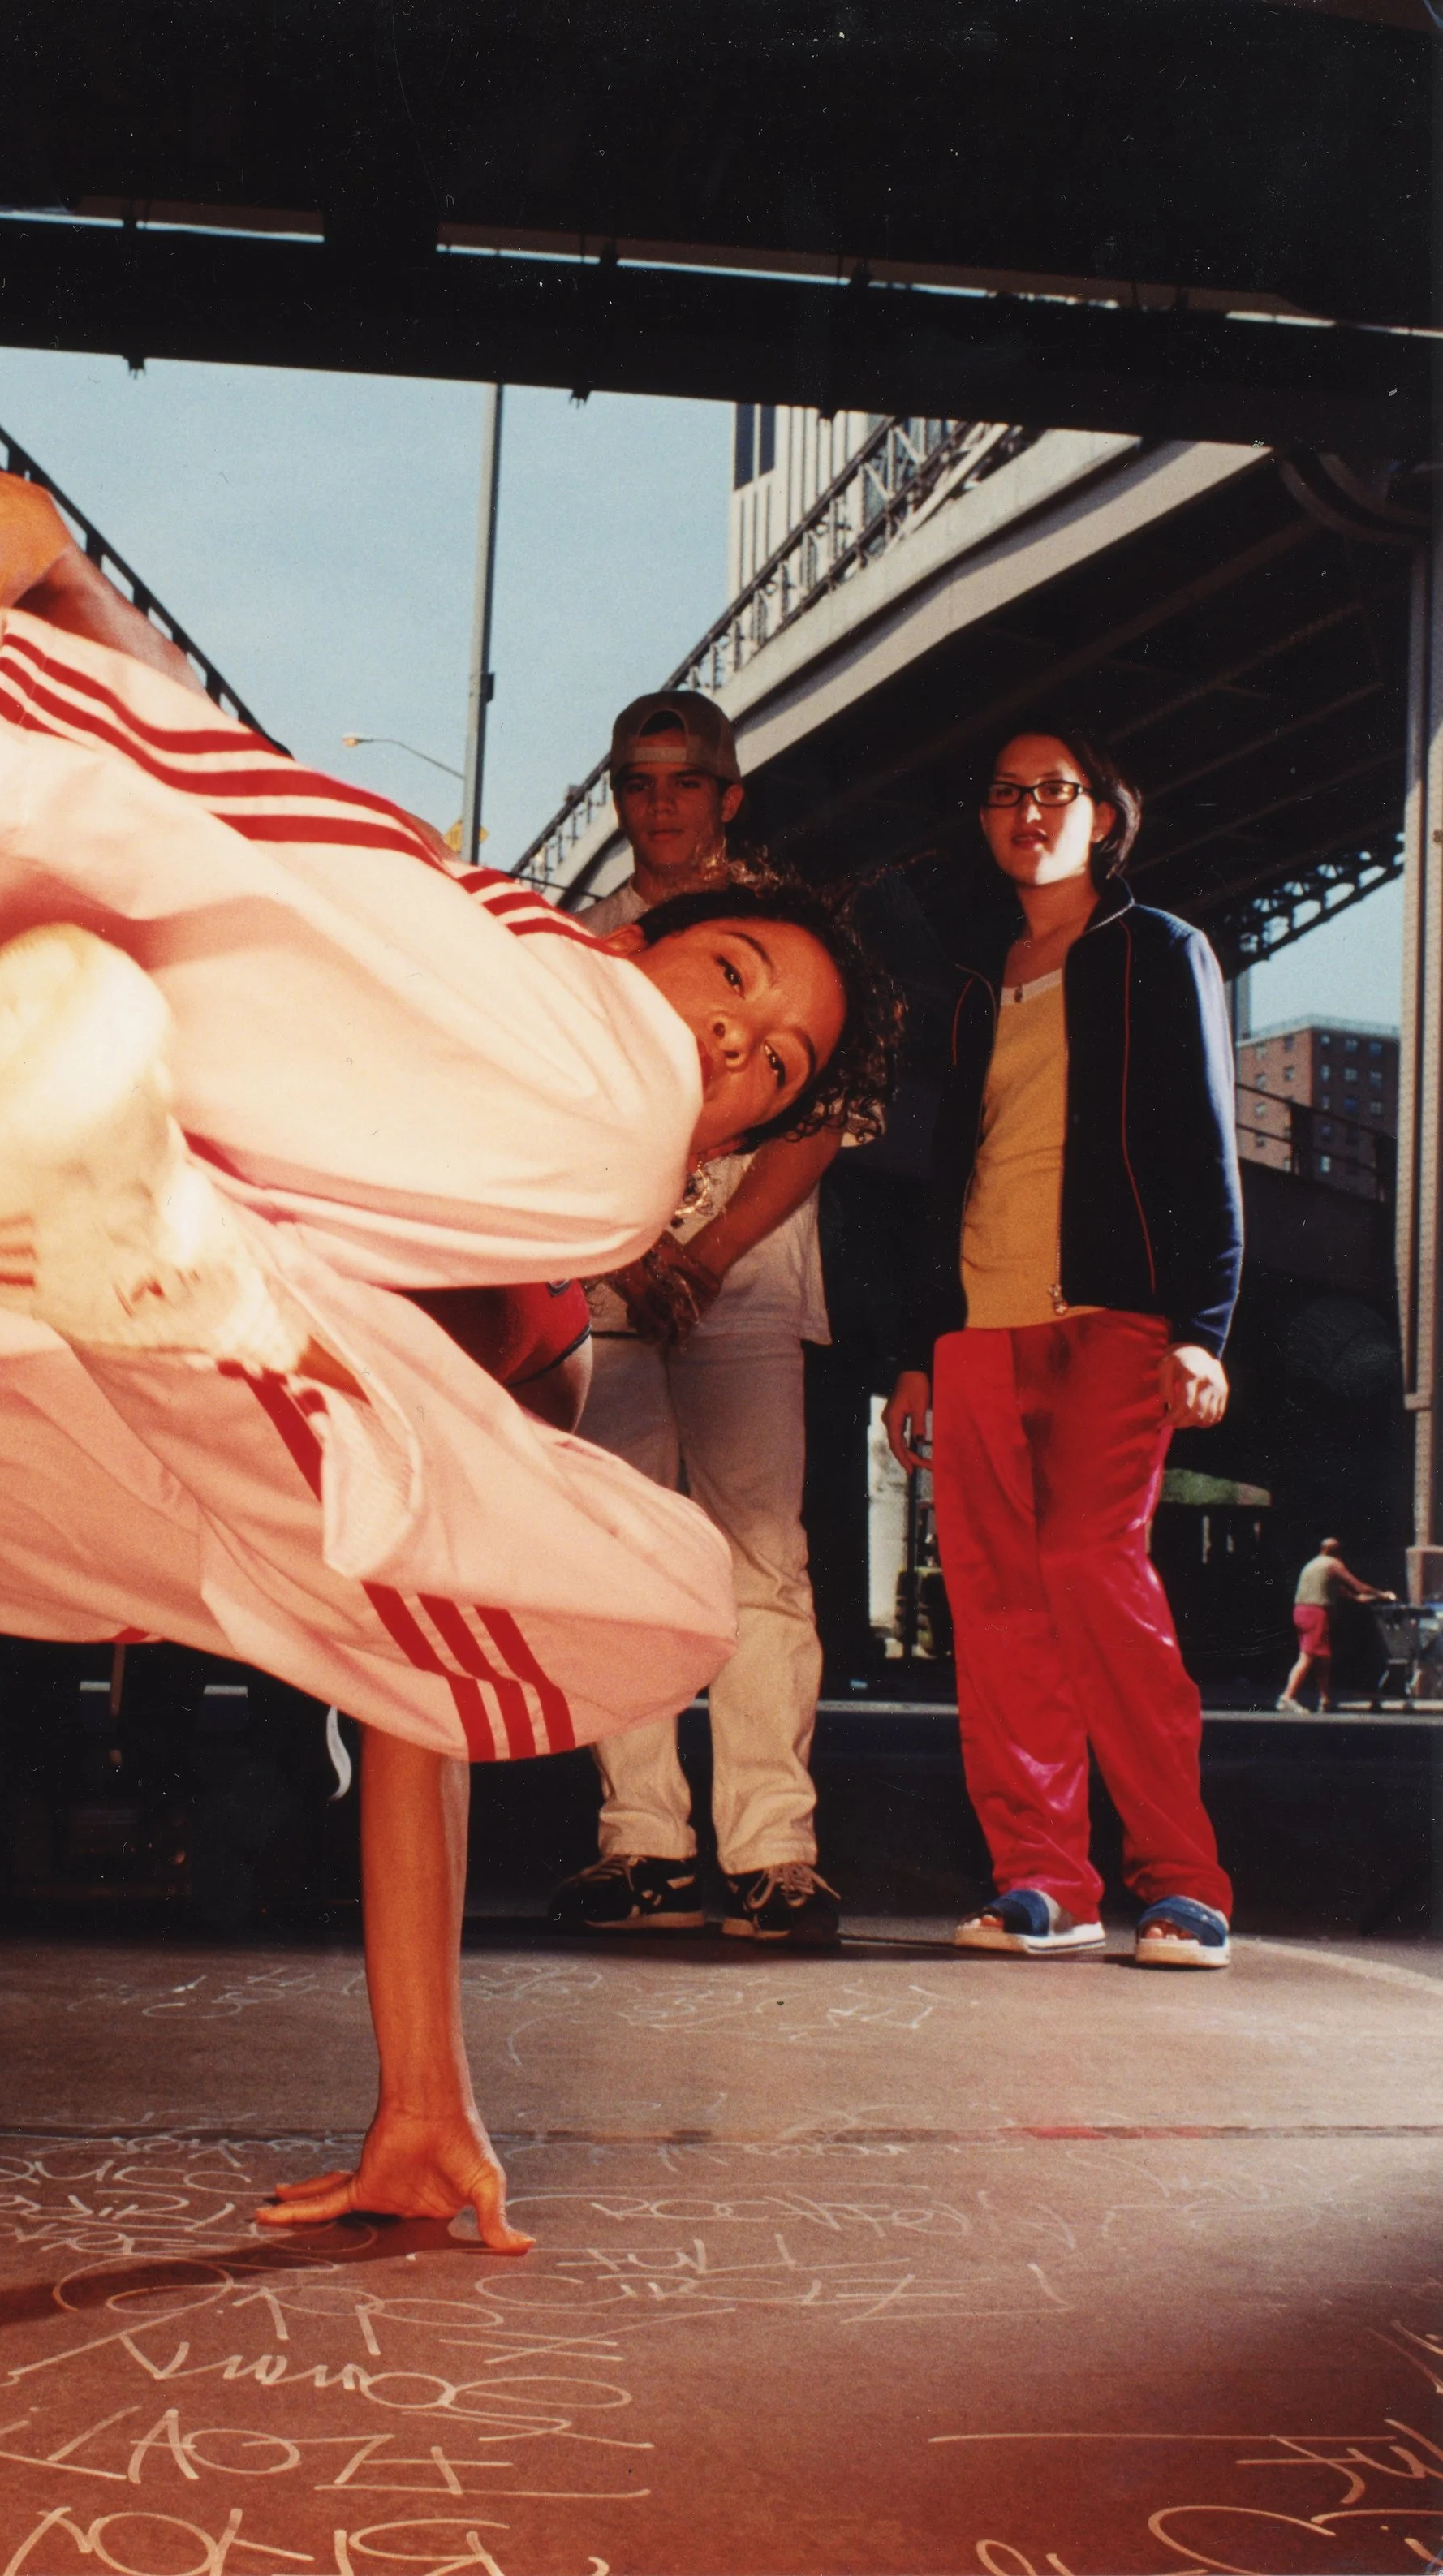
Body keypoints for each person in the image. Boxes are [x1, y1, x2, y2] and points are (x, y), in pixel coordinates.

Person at [0, 399, 885, 2238]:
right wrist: (48, 566)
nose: (733, 1050)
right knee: (514, 1088)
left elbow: (404, 1667)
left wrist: (424, 2095)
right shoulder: (541, 999)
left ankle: (103, 1185)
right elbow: (239, 813)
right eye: (733, 980)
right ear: (641, 928)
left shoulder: (527, 1269)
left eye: (772, 1071)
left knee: (643, 1585)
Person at [883, 722, 1242, 1971]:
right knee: (994, 1605)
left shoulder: (1158, 949)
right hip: (981, 1323)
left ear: (1104, 812)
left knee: (1096, 1569)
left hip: (1111, 1315)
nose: (1028, 812)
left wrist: (1203, 1327)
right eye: (1005, 794)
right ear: (985, 822)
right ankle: (1046, 1877)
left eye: (1055, 791)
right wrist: (922, 1347)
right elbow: (947, 1172)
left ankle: (1185, 1880)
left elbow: (1205, 1142)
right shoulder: (979, 983)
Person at [548, 692, 894, 1943]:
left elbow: (816, 1119)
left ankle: (770, 1851)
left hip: (743, 1287)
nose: (661, 805)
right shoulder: (591, 938)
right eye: (638, 784)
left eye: (684, 782)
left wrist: (708, 1250)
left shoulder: (787, 932)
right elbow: (572, 1116)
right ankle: (641, 1841)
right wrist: (639, 1255)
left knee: (762, 1561)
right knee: (616, 1557)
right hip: (615, 1286)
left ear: (728, 794)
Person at [1278, 1536, 1392, 1715]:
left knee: (1323, 1657)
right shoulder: (1333, 1564)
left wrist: (1354, 1599)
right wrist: (1383, 1594)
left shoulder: (1313, 1565)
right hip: (1316, 1613)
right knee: (1307, 1656)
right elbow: (1359, 1586)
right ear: (1337, 1552)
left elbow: (1336, 1588)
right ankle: (1287, 1697)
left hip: (1301, 1612)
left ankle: (1325, 1699)